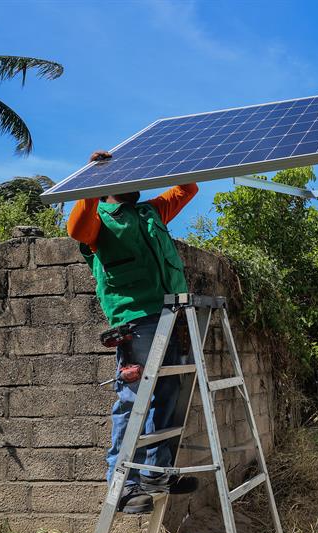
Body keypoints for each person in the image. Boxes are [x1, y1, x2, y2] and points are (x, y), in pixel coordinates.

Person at [67, 150, 199, 514]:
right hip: (135, 321)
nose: (136, 181)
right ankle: (122, 483)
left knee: (169, 391)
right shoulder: (97, 221)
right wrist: (95, 178)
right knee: (132, 399)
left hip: (172, 313)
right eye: (129, 176)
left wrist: (162, 161)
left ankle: (157, 472)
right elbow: (76, 228)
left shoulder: (150, 212)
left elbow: (187, 189)